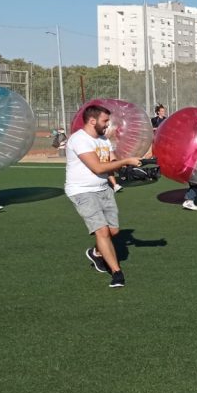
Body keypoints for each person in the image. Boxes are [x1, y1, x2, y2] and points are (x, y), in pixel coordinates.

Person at [65, 103, 142, 288]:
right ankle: (117, 273)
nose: (108, 124)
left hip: (103, 189)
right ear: (92, 121)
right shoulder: (79, 140)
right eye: (105, 120)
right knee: (102, 231)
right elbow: (98, 167)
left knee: (113, 231)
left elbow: (111, 161)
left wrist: (133, 167)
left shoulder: (103, 139)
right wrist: (127, 160)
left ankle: (97, 253)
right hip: (82, 191)